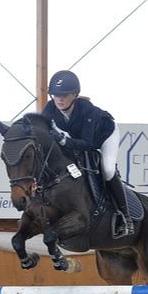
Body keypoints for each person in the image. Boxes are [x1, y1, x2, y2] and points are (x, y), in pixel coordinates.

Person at [41, 70, 134, 238]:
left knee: (108, 170)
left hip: (104, 136)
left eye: (64, 95)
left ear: (75, 95)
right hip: (75, 138)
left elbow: (88, 144)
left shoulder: (88, 111)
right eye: (55, 95)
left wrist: (64, 141)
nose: (59, 99)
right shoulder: (49, 109)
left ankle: (124, 216)